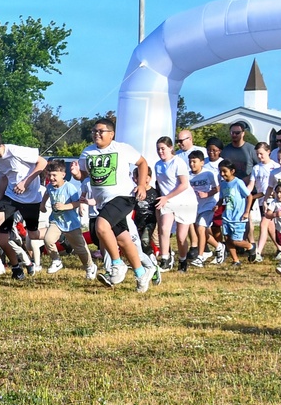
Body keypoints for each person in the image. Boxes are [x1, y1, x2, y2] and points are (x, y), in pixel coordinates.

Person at [75, 118, 153, 292]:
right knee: (124, 239)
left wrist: (141, 184)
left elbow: (142, 163)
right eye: (94, 131)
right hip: (103, 202)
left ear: (111, 134)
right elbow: (83, 175)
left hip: (123, 197)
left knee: (101, 227)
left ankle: (118, 265)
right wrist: (75, 173)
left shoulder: (121, 148)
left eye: (101, 131)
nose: (96, 134)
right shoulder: (87, 152)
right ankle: (142, 273)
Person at [0, 131, 47, 280]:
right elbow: (5, 178)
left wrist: (25, 183)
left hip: (31, 198)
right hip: (11, 196)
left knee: (33, 235)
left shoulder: (16, 151)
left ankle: (61, 235)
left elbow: (42, 162)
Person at [40, 159, 96, 278]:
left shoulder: (69, 187)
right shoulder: (50, 186)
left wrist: (64, 206)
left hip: (71, 223)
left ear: (63, 175)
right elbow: (47, 193)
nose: (51, 178)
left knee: (80, 249)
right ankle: (56, 260)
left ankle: (90, 266)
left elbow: (77, 202)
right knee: (48, 239)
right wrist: (42, 204)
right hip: (56, 221)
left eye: (54, 175)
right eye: (49, 175)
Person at [154, 136, 197, 272]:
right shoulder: (157, 165)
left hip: (184, 201)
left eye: (163, 149)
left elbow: (184, 185)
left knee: (180, 236)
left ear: (171, 148)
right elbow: (161, 185)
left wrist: (167, 197)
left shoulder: (178, 162)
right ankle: (165, 259)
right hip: (168, 201)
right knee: (164, 229)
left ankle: (183, 260)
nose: (160, 152)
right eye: (158, 149)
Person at [216, 160, 253, 265]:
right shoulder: (223, 184)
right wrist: (217, 205)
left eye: (224, 171)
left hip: (238, 217)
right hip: (227, 216)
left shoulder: (238, 182)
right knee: (227, 239)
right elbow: (222, 198)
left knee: (236, 241)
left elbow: (249, 196)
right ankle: (235, 260)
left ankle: (250, 246)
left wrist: (246, 212)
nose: (222, 174)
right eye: (220, 172)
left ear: (232, 171)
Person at [188, 149, 221, 267]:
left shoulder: (208, 173)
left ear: (202, 162)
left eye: (194, 162)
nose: (192, 164)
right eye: (190, 162)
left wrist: (207, 194)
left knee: (201, 229)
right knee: (201, 231)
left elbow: (217, 188)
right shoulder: (188, 176)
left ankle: (200, 257)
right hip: (195, 206)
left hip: (208, 204)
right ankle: (219, 246)